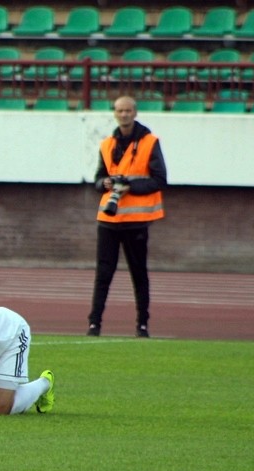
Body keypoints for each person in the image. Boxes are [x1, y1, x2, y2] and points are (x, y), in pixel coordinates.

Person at [87, 95, 167, 338]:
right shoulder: (107, 144)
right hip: (109, 220)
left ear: (135, 112)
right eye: (120, 110)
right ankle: (94, 324)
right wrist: (107, 183)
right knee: (103, 273)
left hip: (136, 220)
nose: (124, 115)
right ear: (114, 113)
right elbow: (98, 180)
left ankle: (142, 324)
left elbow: (159, 180)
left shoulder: (150, 142)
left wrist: (130, 186)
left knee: (139, 273)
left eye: (128, 110)